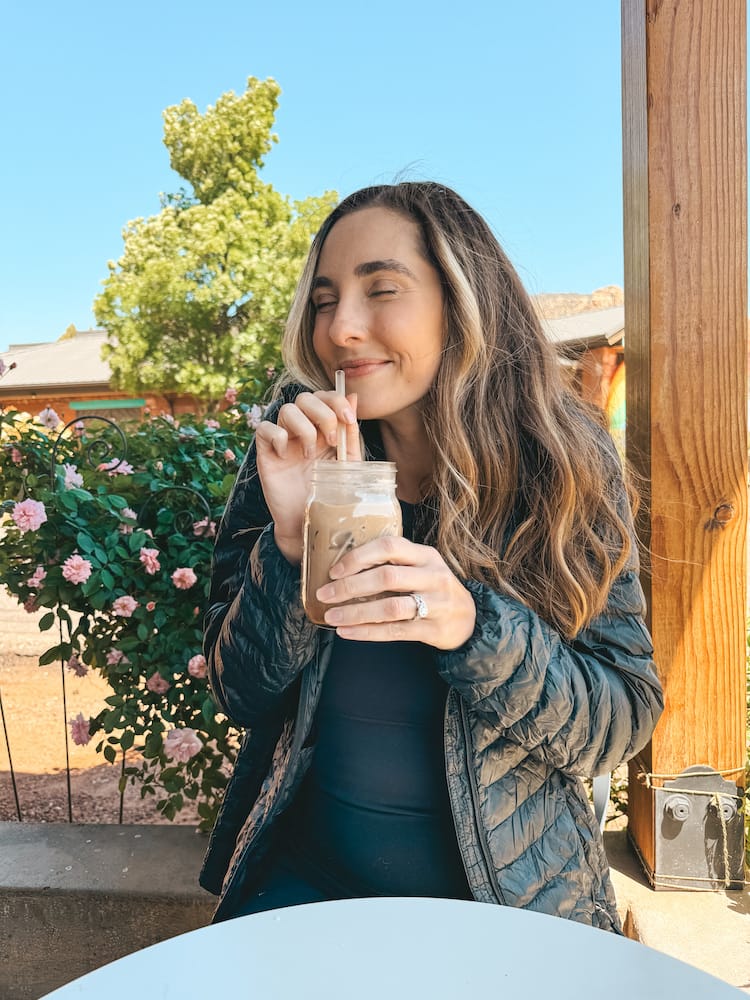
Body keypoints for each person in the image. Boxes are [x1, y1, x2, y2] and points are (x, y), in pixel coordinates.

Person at [198, 181, 663, 931]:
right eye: (323, 300)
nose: (341, 328)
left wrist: (473, 626)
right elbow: (239, 692)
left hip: (512, 910)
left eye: (381, 289)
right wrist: (287, 550)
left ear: (463, 302)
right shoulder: (299, 450)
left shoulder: (563, 464)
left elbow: (622, 718)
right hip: (306, 888)